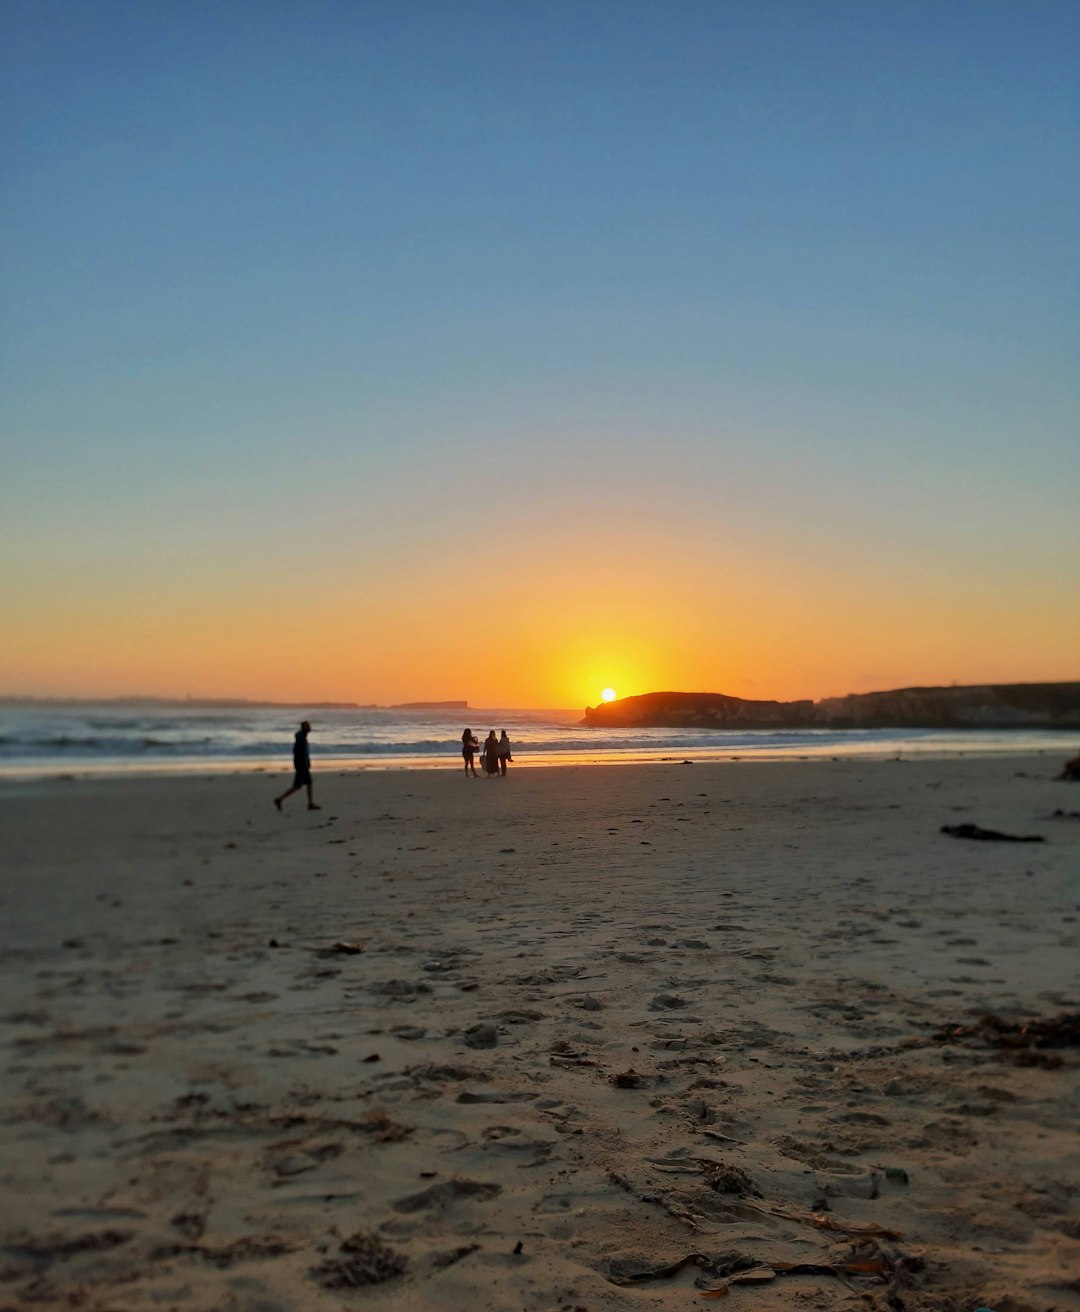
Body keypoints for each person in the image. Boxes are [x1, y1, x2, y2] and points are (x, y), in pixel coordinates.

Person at [274, 721, 321, 811]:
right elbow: (297, 753)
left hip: (304, 766)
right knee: (297, 786)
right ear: (304, 728)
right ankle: (279, 799)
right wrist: (301, 765)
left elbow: (303, 753)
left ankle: (310, 804)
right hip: (301, 767)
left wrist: (307, 762)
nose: (310, 728)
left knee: (309, 783)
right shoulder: (300, 739)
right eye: (308, 726)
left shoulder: (302, 737)